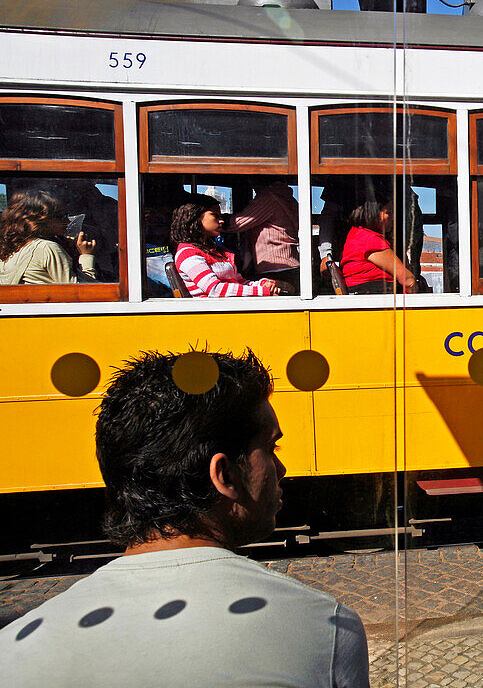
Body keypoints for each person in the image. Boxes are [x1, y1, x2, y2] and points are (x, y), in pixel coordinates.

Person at [0, 350, 370, 686]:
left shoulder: (14, 650)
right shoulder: (325, 629)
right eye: (271, 448)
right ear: (224, 475)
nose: (281, 468)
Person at [171, 198, 285, 298]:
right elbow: (215, 289)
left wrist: (263, 284)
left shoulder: (217, 251)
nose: (221, 221)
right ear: (195, 218)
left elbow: (239, 282)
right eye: (215, 216)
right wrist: (261, 291)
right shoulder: (187, 253)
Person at [0, 189, 97, 285]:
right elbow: (81, 292)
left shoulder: (11, 248)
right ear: (42, 220)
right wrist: (86, 255)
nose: (68, 221)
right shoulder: (47, 248)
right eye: (61, 217)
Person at [222, 180, 301, 293]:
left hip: (274, 266)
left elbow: (238, 223)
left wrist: (216, 220)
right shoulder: (286, 197)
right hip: (289, 263)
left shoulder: (269, 197)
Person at [341, 194, 418, 294]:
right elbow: (408, 280)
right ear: (373, 213)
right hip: (376, 300)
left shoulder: (357, 234)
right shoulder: (369, 239)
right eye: (388, 213)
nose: (393, 218)